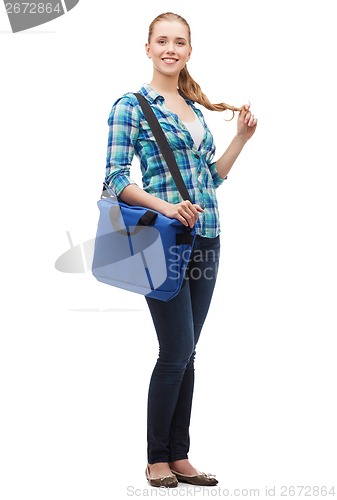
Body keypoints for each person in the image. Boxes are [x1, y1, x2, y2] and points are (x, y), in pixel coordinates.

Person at [104, 12, 257, 488]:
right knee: (174, 351)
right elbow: (114, 182)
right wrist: (167, 208)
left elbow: (209, 179)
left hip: (208, 236)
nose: (171, 49)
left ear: (190, 51)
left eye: (180, 42)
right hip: (163, 239)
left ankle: (180, 455)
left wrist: (240, 139)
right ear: (148, 48)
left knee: (188, 352)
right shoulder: (131, 105)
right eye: (162, 41)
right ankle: (156, 459)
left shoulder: (192, 106)